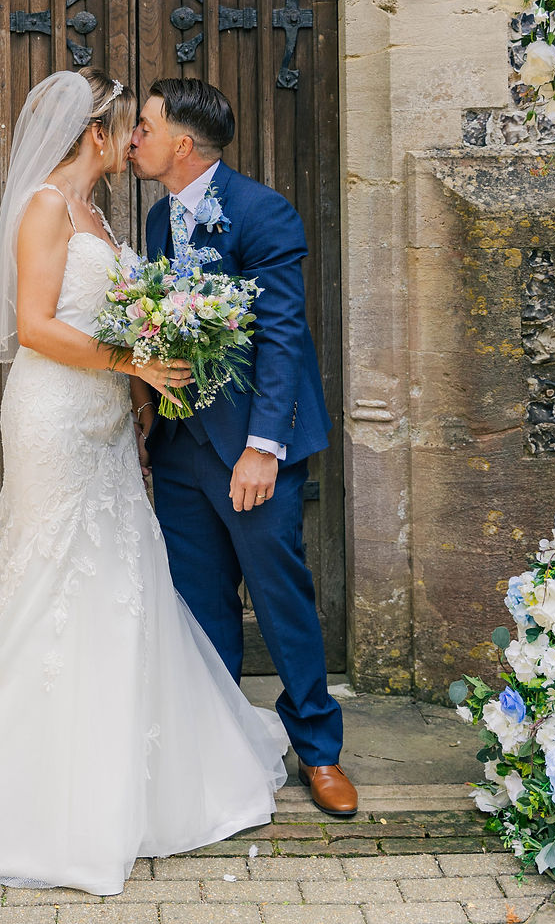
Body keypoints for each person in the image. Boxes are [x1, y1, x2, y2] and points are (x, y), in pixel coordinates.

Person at [0, 67, 288, 896]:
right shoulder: (41, 205)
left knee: (120, 574)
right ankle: (32, 779)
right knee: (52, 575)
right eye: (122, 127)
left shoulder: (99, 212)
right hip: (54, 418)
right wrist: (132, 358)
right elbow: (35, 326)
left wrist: (138, 393)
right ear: (94, 135)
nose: (132, 140)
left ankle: (119, 762)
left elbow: (109, 314)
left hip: (104, 418)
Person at [129, 77, 357, 819]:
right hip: (182, 445)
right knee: (199, 607)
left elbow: (284, 336)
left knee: (281, 594)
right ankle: (219, 744)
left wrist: (263, 447)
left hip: (254, 451)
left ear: (182, 144)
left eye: (145, 126)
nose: (134, 137)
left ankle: (319, 748)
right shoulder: (161, 219)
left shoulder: (262, 212)